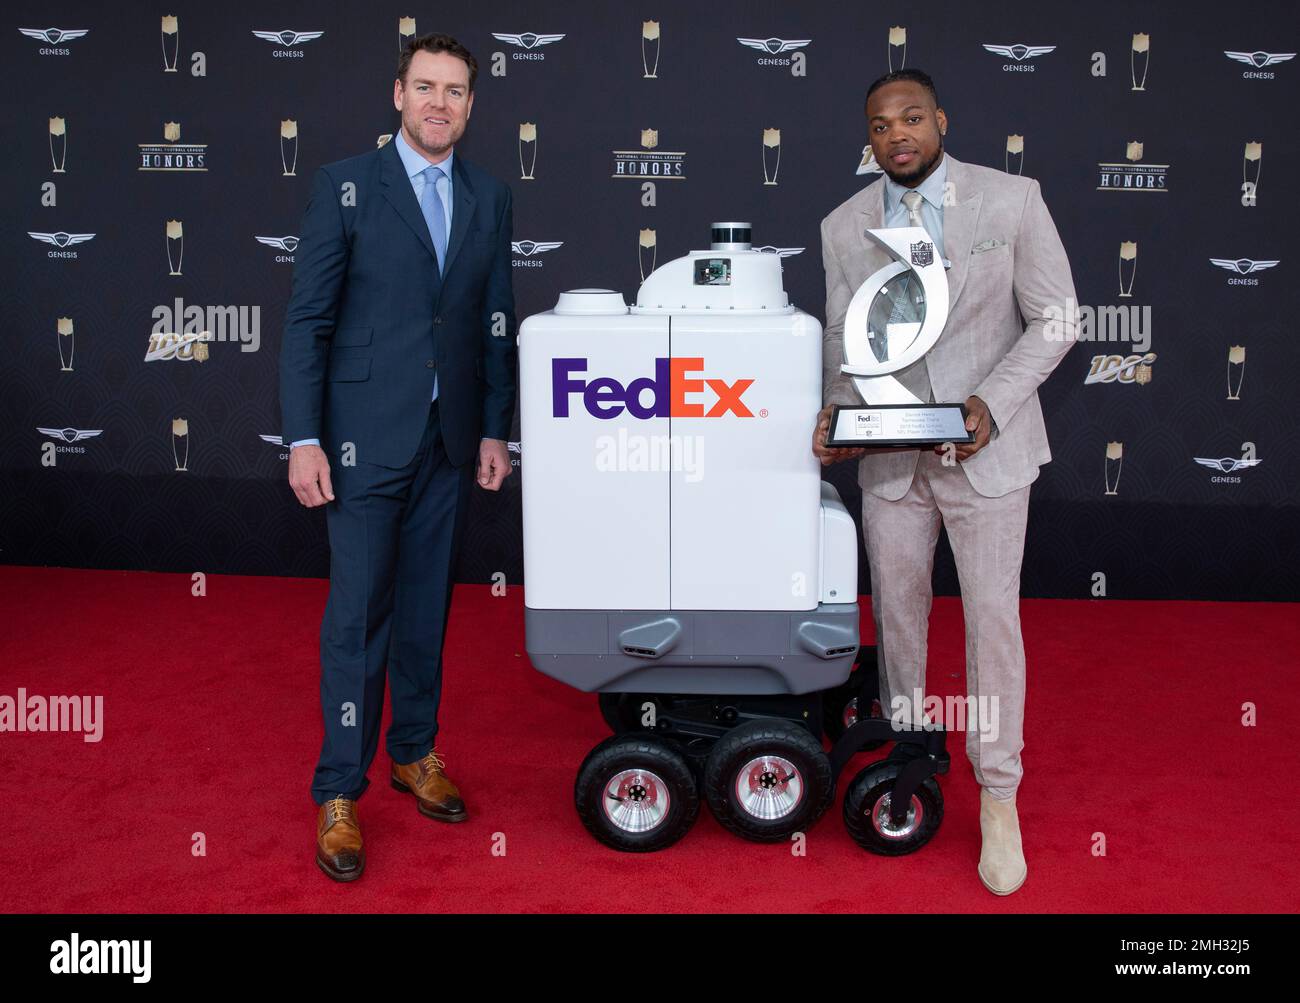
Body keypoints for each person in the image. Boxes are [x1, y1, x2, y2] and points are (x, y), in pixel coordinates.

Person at [812, 69, 1076, 895]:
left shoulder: (1011, 200)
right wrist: (838, 416)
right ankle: (913, 759)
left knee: (993, 622)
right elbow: (841, 335)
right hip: (892, 463)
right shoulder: (843, 224)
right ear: (870, 138)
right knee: (898, 618)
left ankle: (1000, 795)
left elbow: (1059, 317)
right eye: (882, 125)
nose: (898, 134)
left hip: (988, 457)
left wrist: (990, 404)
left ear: (940, 122)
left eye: (913, 118)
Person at [279, 33, 516, 882]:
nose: (439, 104)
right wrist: (304, 437)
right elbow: (308, 321)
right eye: (426, 88)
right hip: (360, 442)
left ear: (471, 105)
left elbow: (494, 319)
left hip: (447, 443)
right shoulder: (345, 186)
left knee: (425, 609)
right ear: (397, 94)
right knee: (357, 618)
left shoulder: (489, 196)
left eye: (455, 91)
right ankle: (340, 788)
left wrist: (494, 428)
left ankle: (414, 750)